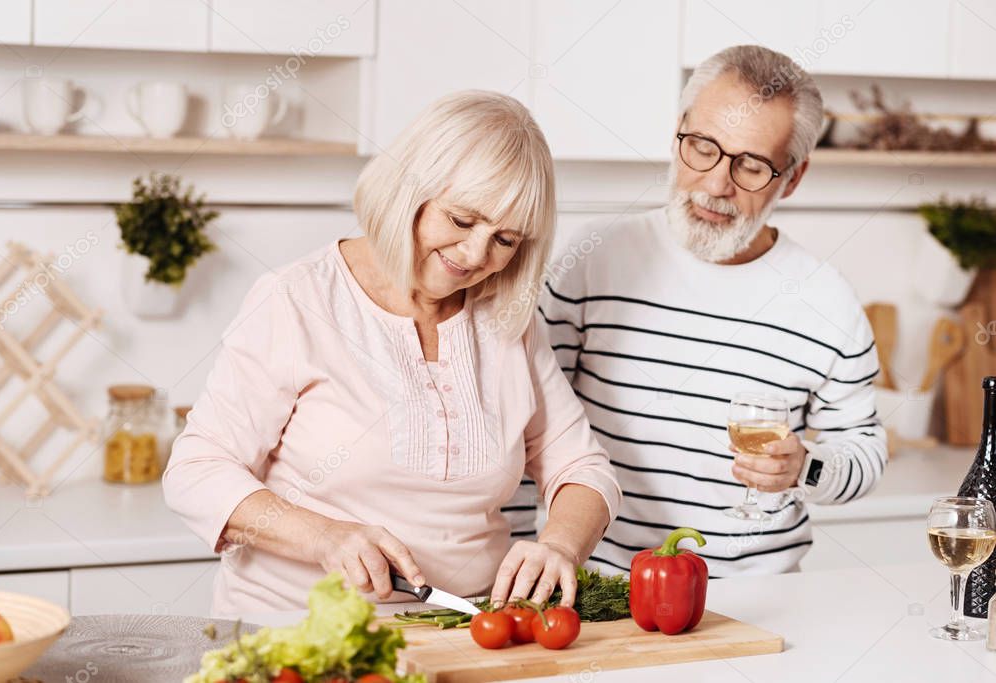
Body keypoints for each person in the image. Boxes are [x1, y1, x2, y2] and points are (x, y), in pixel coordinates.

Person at [163, 90, 620, 617]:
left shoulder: (508, 317)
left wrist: (560, 544)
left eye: (506, 240)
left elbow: (583, 466)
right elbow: (196, 472)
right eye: (462, 221)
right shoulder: (296, 300)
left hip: (463, 634)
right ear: (411, 191)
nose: (476, 256)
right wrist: (323, 537)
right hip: (295, 633)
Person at [506, 45, 886, 577]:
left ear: (792, 178)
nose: (716, 183)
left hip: (761, 595)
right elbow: (524, 424)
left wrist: (807, 466)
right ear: (678, 131)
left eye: (751, 165)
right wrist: (517, 556)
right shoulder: (591, 261)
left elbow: (864, 450)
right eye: (702, 147)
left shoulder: (826, 301)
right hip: (602, 585)